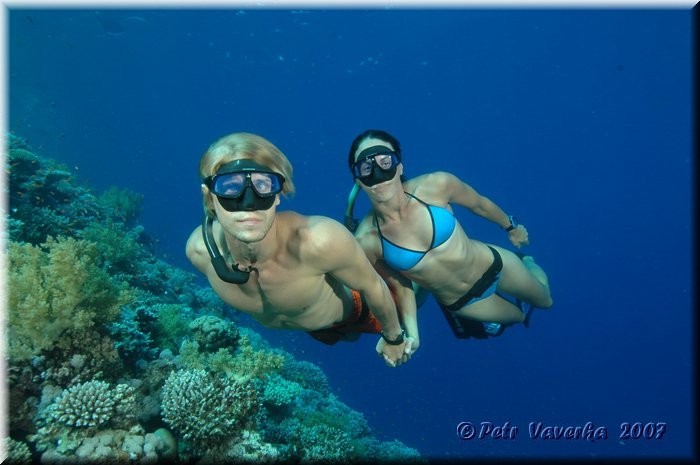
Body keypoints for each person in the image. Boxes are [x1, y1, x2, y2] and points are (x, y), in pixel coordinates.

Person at [186, 132, 411, 367]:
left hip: (360, 309)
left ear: (278, 195)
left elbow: (373, 286)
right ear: (209, 197)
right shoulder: (200, 254)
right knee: (349, 338)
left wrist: (394, 338)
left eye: (263, 185)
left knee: (412, 288)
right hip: (319, 328)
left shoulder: (320, 240)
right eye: (230, 187)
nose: (249, 202)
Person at [346, 129, 554, 355]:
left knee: (545, 302)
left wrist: (511, 227)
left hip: (494, 264)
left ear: (399, 166)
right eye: (366, 167)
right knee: (520, 316)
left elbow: (479, 204)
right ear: (358, 179)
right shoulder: (366, 241)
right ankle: (509, 312)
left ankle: (528, 262)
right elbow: (402, 287)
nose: (377, 172)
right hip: (465, 303)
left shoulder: (436, 185)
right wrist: (413, 335)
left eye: (384, 161)